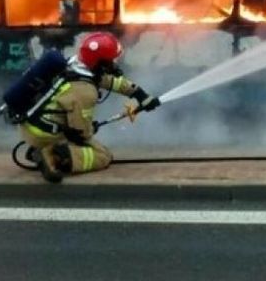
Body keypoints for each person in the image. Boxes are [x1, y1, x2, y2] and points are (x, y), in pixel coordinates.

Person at [19, 32, 160, 183]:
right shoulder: (84, 91)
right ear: (100, 64)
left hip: (32, 124)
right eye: (111, 61)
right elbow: (80, 133)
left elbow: (108, 80)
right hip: (44, 133)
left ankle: (40, 148)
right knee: (103, 156)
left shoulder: (75, 66)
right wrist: (90, 129)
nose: (114, 64)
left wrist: (139, 94)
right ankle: (55, 156)